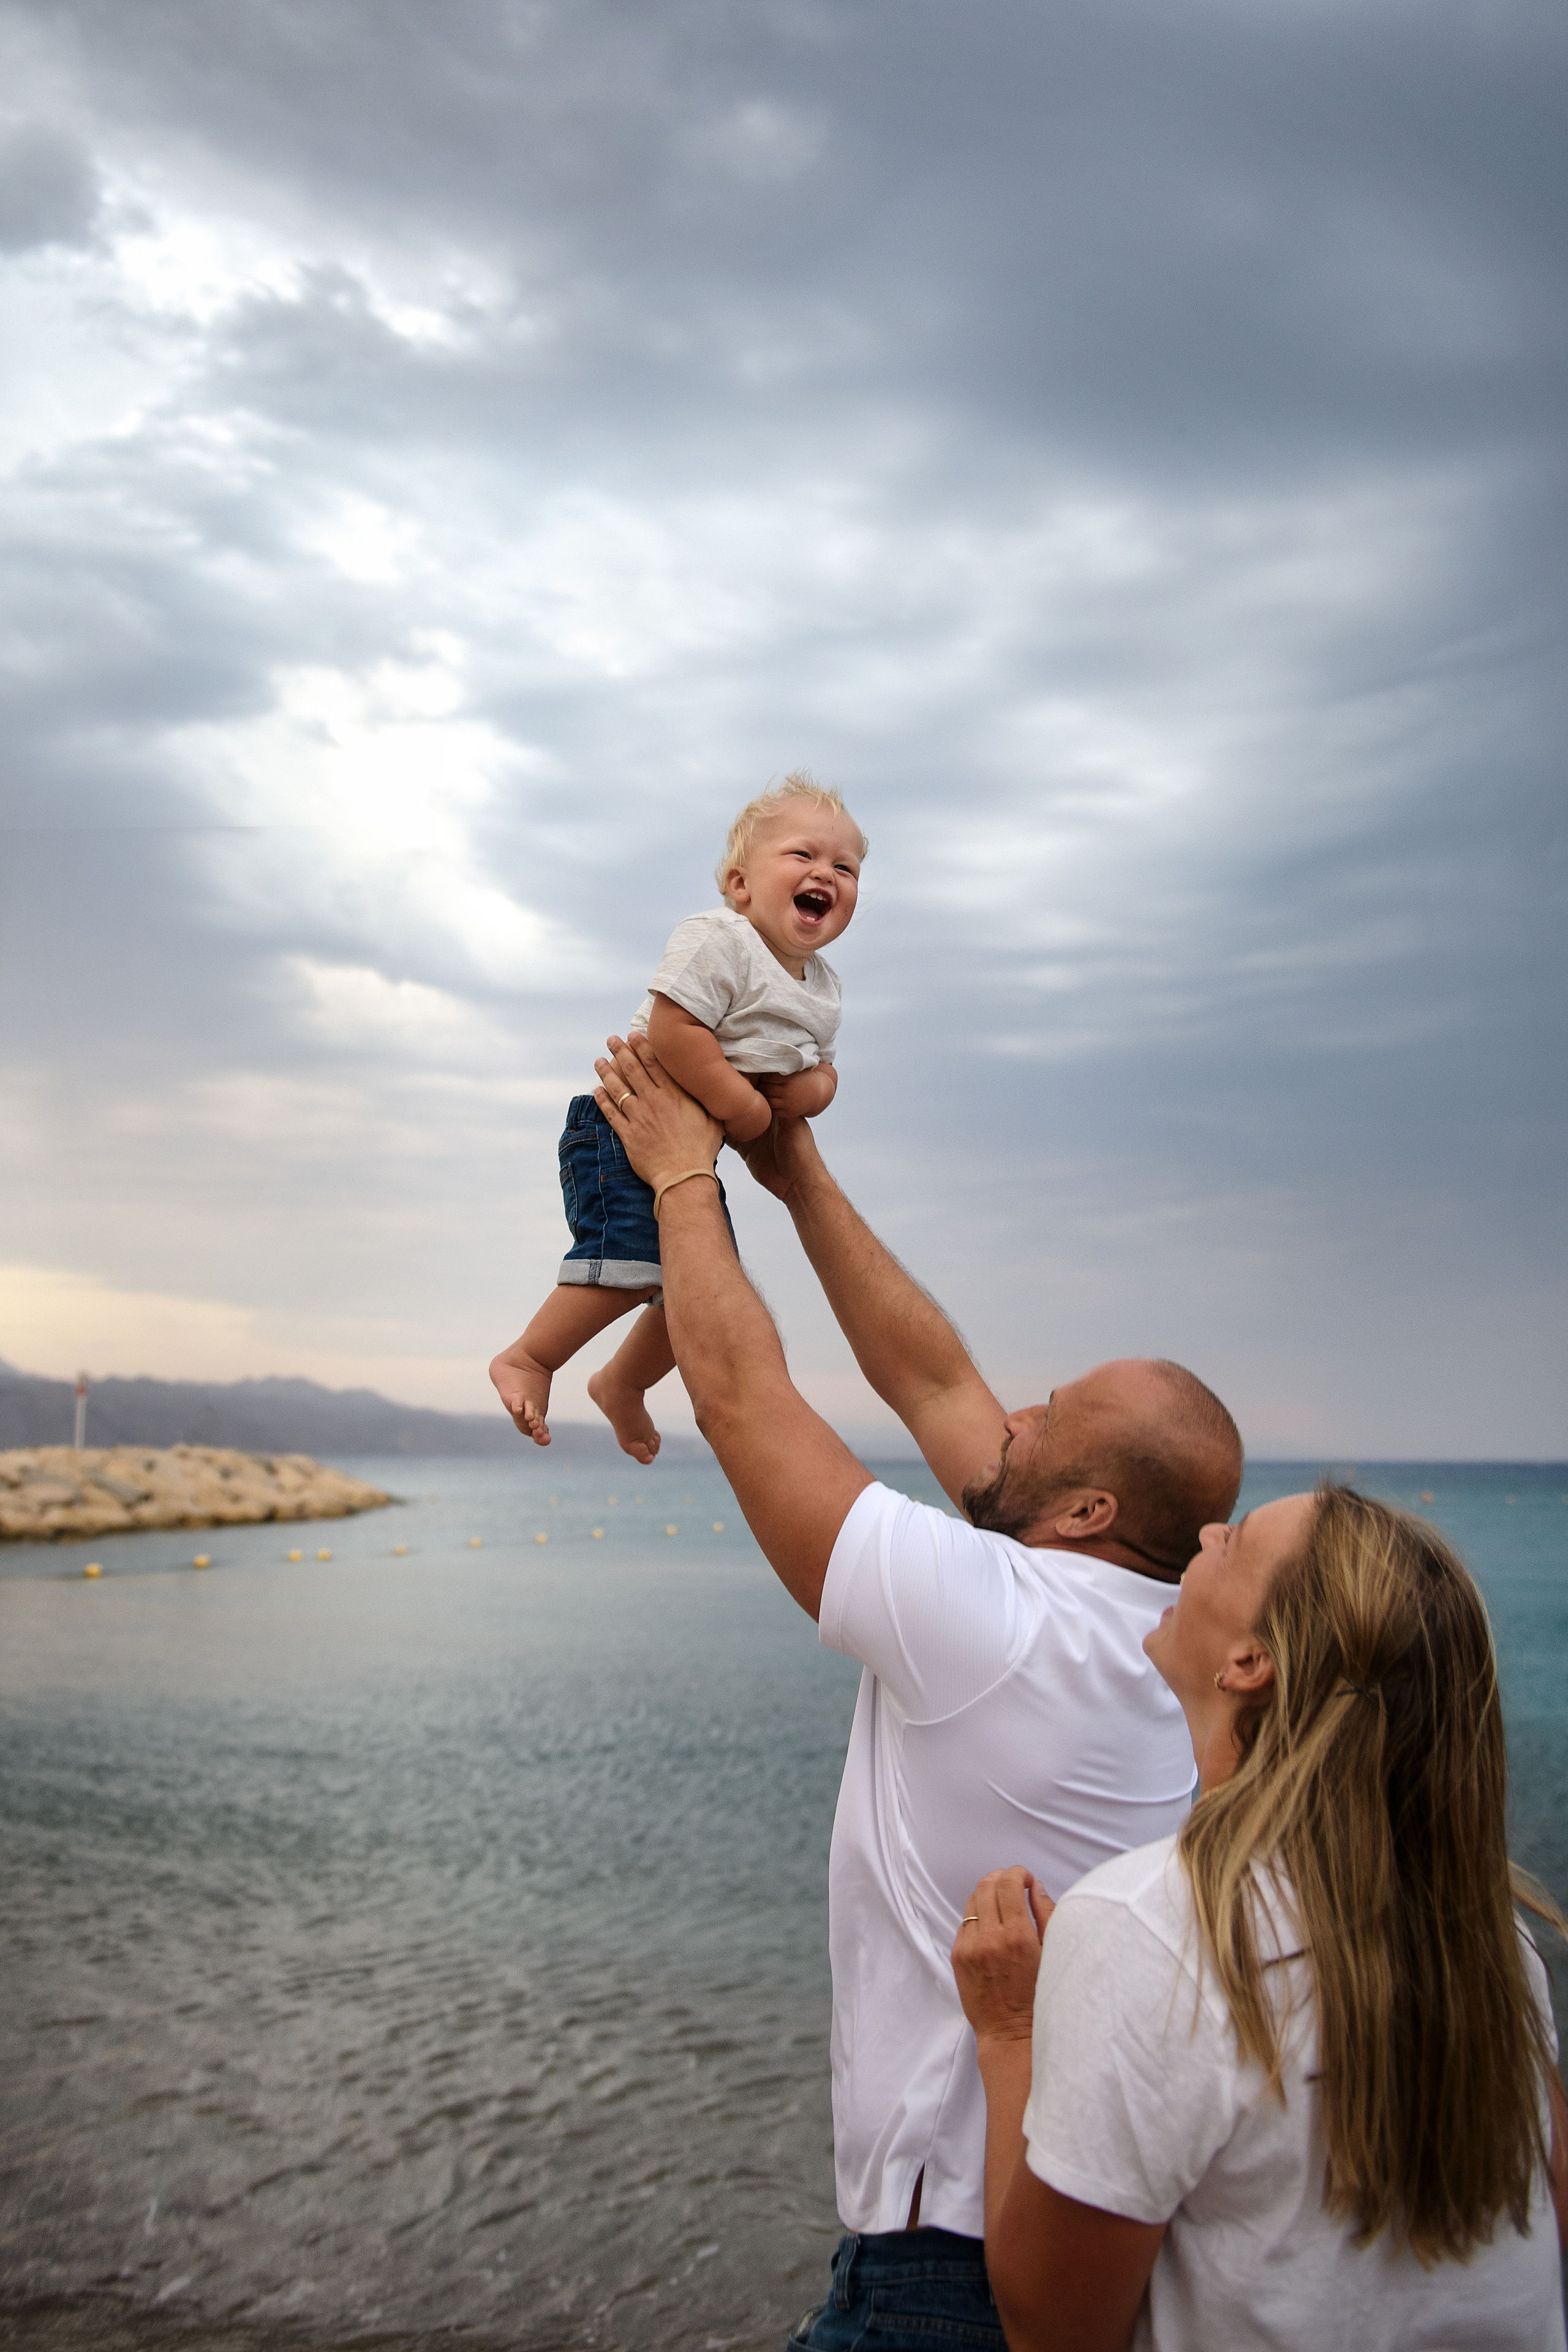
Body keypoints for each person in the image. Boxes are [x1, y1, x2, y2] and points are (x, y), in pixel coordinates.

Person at [586, 1035, 1245, 2352]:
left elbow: (739, 1397)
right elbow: (935, 1384)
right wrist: (796, 1170)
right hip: (1092, 2241)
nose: (1013, 1410)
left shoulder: (997, 1624)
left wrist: (678, 1178)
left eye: (1047, 1411)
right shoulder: (1168, 1635)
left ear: (1084, 1507)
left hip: (943, 2269)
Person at [952, 1485, 1568, 2352]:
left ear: (1248, 1663)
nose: (1207, 1528)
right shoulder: (1488, 1936)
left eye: (1233, 1541)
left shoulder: (1158, 1925)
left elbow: (1051, 2327)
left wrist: (1010, 2032)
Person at [488, 774, 865, 1463]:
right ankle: (531, 1358)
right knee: (634, 1259)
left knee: (702, 1285)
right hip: (622, 1124)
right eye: (802, 856)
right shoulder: (718, 938)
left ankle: (622, 1385)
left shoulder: (824, 988)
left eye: (845, 867)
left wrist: (808, 1095)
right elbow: (673, 1027)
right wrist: (742, 1104)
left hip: (689, 1150)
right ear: (739, 884)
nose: (825, 874)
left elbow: (826, 1070)